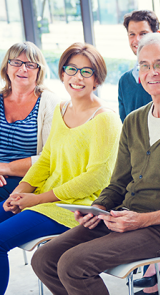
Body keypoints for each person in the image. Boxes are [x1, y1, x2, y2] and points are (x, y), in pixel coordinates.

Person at [31, 34, 160, 295]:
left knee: (74, 264)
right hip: (122, 217)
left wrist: (141, 220)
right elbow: (118, 182)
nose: (151, 72)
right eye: (144, 65)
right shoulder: (134, 120)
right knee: (45, 259)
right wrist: (97, 208)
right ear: (138, 73)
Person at [1, 42, 121, 295]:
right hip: (45, 198)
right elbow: (46, 159)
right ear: (62, 73)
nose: (78, 77)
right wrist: (21, 190)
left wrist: (36, 199)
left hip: (73, 207)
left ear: (97, 78)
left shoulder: (105, 119)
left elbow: (96, 178)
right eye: (71, 69)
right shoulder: (61, 109)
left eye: (86, 71)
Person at [0, 42, 59, 200]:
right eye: (16, 62)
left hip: (27, 181)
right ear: (7, 67)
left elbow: (50, 157)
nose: (23, 69)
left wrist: (4, 168)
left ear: (39, 70)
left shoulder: (50, 103)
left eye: (30, 64)